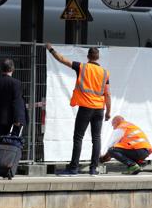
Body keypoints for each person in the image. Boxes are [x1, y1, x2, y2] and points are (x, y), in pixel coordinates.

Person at [46, 43, 111, 176]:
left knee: (78, 137)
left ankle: (74, 168)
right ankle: (93, 169)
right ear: (98, 57)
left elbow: (62, 60)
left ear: (88, 56)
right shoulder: (105, 73)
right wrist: (108, 111)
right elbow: (108, 94)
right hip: (99, 109)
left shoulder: (82, 67)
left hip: (86, 107)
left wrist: (51, 49)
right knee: (96, 138)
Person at [0, 59, 27, 138]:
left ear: (1, 69)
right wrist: (17, 120)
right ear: (13, 69)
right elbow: (17, 102)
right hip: (12, 120)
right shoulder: (16, 83)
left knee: (1, 141)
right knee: (12, 143)